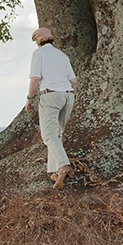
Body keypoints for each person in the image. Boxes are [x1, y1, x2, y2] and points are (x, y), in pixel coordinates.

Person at [25, 28, 78, 189]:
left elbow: (35, 79)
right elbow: (74, 81)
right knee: (57, 134)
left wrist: (29, 98)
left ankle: (63, 166)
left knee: (48, 135)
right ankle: (53, 172)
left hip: (51, 95)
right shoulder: (62, 55)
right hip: (68, 96)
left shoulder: (39, 54)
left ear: (38, 41)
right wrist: (68, 94)